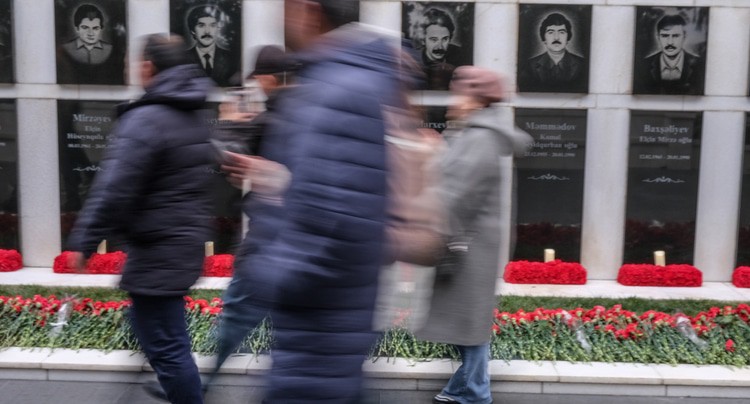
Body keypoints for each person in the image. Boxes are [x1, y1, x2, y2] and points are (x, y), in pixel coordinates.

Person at [219, 0, 402, 401]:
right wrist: (273, 180)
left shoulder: (337, 91)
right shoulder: (336, 85)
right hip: (322, 333)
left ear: (309, 10)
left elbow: (332, 220)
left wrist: (265, 272)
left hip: (319, 335)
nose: (280, 16)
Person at [66, 34, 215, 404]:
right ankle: (175, 387)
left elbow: (113, 187)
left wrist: (84, 242)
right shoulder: (191, 113)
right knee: (159, 334)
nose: (131, 68)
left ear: (148, 66)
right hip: (179, 245)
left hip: (158, 250)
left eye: (134, 61)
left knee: (167, 347)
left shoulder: (147, 118)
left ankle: (184, 393)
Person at [412, 66, 532, 404]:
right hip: (468, 242)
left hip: (467, 245)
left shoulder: (481, 137)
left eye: (459, 94)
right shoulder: (474, 133)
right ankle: (464, 388)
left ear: (476, 99)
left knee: (469, 322)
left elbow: (457, 192)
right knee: (467, 320)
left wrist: (423, 221)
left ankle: (476, 391)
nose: (452, 101)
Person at [633, 14, 704, 95]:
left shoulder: (699, 66)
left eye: (676, 36)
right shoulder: (643, 66)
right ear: (658, 37)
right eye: (665, 36)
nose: (670, 42)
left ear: (684, 37)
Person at [518, 12, 588, 93]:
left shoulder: (583, 65)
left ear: (568, 37)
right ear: (544, 38)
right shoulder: (530, 66)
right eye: (550, 32)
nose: (556, 38)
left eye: (561, 32)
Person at [57, 3, 124, 84]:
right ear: (77, 28)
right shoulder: (66, 50)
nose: (90, 33)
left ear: (101, 29)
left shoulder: (111, 51)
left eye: (95, 28)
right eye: (85, 27)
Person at [185, 5, 240, 87]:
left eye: (212, 25)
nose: (207, 31)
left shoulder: (231, 58)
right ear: (193, 30)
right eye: (201, 25)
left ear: (218, 29)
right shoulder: (184, 59)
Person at [417, 7, 464, 90]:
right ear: (423, 40)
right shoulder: (414, 60)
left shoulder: (460, 57)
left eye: (445, 39)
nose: (440, 46)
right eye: (434, 39)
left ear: (450, 38)